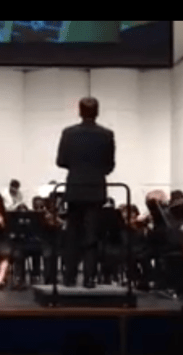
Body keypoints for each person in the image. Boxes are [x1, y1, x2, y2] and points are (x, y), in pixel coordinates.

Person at [56, 97, 115, 288]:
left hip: (75, 188)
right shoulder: (107, 135)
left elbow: (61, 161)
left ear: (80, 111)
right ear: (97, 112)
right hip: (95, 189)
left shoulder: (69, 133)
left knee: (72, 234)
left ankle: (69, 277)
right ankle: (89, 278)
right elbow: (109, 165)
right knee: (92, 235)